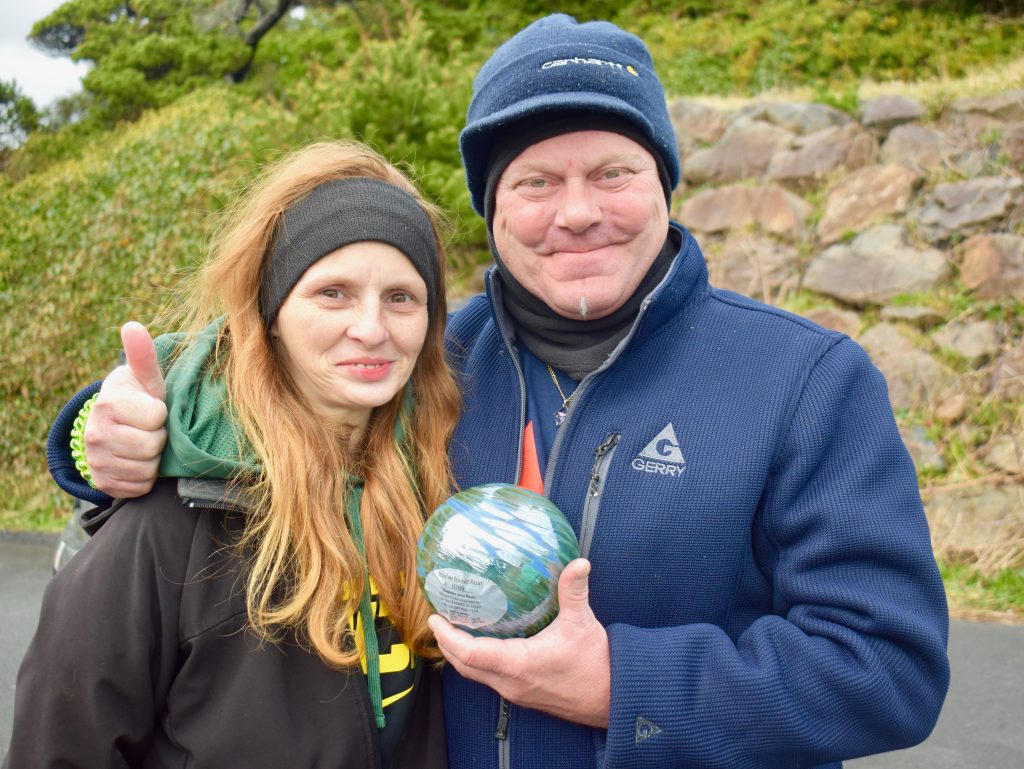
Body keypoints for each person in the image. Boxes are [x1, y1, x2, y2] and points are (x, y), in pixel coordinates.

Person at [46, 14, 950, 769]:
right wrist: (98, 433)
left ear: (665, 184)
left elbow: (890, 668)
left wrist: (625, 684)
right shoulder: (424, 360)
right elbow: (255, 386)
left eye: (613, 173)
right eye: (535, 182)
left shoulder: (805, 380)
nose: (577, 211)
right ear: (493, 206)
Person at [11, 140, 460, 769]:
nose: (372, 327)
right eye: (332, 292)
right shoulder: (173, 519)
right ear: (272, 312)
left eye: (401, 298)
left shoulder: (437, 483)